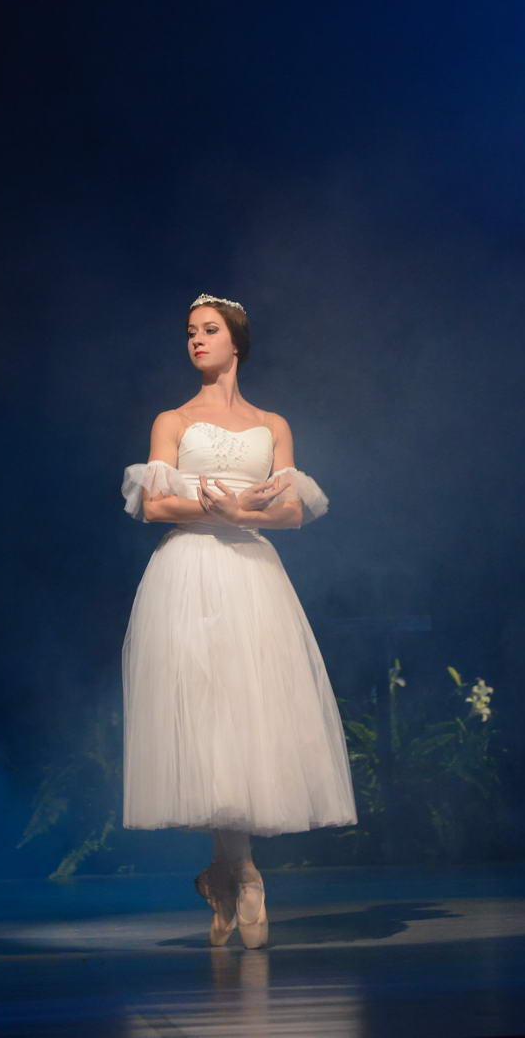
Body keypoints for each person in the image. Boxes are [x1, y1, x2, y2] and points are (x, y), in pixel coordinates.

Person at [119, 294, 356, 949]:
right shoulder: (173, 420)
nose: (196, 339)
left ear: (236, 342)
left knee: (244, 719)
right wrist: (215, 506)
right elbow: (154, 504)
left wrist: (244, 513)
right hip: (189, 573)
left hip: (251, 573)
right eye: (190, 331)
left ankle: (223, 874)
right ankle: (244, 874)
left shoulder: (272, 425)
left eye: (209, 330)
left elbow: (293, 510)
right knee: (207, 716)